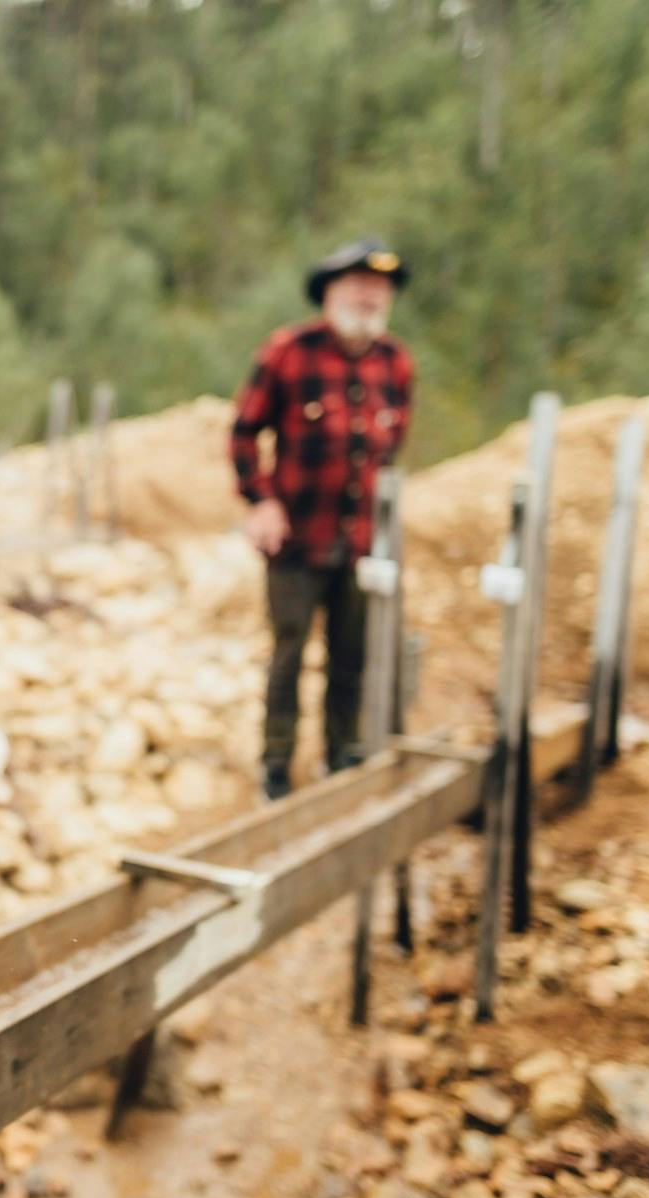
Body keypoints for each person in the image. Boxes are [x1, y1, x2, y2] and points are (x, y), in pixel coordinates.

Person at [229, 237, 414, 800]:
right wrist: (262, 500)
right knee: (288, 654)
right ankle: (277, 768)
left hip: (360, 542)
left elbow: (392, 448)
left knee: (352, 656)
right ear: (330, 291)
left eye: (378, 287)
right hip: (296, 539)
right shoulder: (289, 351)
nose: (368, 295)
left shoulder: (396, 363)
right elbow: (242, 432)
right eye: (357, 284)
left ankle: (342, 760)